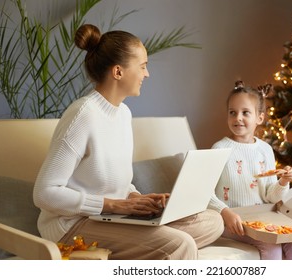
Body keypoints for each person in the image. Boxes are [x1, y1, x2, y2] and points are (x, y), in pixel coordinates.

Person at [33, 24, 223, 260]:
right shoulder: (82, 115)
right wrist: (112, 206)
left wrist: (137, 199)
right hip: (72, 226)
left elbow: (115, 184)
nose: (147, 74)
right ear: (118, 72)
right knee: (179, 244)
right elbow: (44, 193)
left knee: (212, 221)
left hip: (109, 217)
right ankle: (158, 246)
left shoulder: (123, 114)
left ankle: (148, 243)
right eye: (142, 66)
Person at [208, 80, 292, 260]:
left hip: (262, 218)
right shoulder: (219, 149)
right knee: (271, 245)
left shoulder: (265, 150)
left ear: (259, 118)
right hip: (234, 222)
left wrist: (283, 182)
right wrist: (225, 212)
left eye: (245, 112)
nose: (238, 118)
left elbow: (271, 196)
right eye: (232, 112)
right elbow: (206, 192)